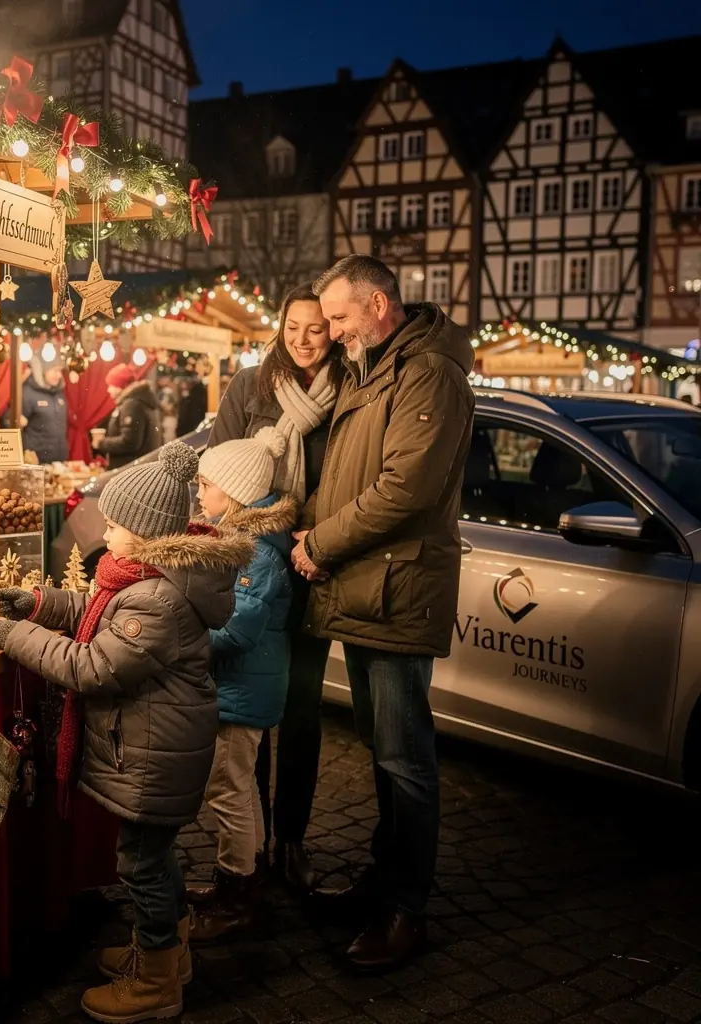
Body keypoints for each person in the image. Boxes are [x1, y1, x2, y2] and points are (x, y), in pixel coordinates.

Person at [0, 441, 252, 1023]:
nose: (103, 530)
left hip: (153, 757)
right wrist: (39, 603)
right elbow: (95, 613)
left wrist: (13, 636)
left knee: (141, 865)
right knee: (156, 857)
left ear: (148, 533)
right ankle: (168, 953)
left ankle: (157, 982)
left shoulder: (156, 599)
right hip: (155, 747)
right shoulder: (149, 579)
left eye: (115, 523)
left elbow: (92, 666)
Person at [292, 255, 474, 970]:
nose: (331, 333)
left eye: (337, 318)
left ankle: (408, 911)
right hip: (369, 588)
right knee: (383, 749)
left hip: (397, 587)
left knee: (406, 758)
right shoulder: (376, 369)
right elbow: (345, 476)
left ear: (376, 305)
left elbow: (405, 490)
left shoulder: (427, 373)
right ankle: (386, 876)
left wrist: (320, 544)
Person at [208, 281, 346, 892]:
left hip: (313, 565)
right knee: (248, 711)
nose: (303, 340)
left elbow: (348, 479)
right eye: (293, 328)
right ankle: (253, 840)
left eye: (315, 329)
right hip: (256, 560)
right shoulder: (250, 386)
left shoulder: (350, 393)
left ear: (333, 330)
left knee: (300, 709)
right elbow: (222, 468)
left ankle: (291, 838)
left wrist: (310, 532)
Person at [189, 427, 296, 943]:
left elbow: (235, 630)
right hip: (241, 689)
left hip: (241, 692)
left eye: (206, 485)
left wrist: (184, 641)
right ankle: (246, 877)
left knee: (227, 789)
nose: (199, 494)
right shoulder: (243, 544)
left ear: (231, 494)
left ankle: (237, 892)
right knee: (242, 786)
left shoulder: (256, 554)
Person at [94, 364, 161, 468]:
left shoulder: (131, 405)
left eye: (111, 385)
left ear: (120, 386)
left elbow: (130, 442)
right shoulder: (141, 402)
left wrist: (101, 443)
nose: (108, 390)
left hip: (129, 470)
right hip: (138, 468)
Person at [20, 353, 69, 464]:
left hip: (59, 460)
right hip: (37, 461)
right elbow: (11, 420)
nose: (59, 375)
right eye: (55, 371)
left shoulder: (59, 394)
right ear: (41, 371)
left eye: (60, 371)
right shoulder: (27, 393)